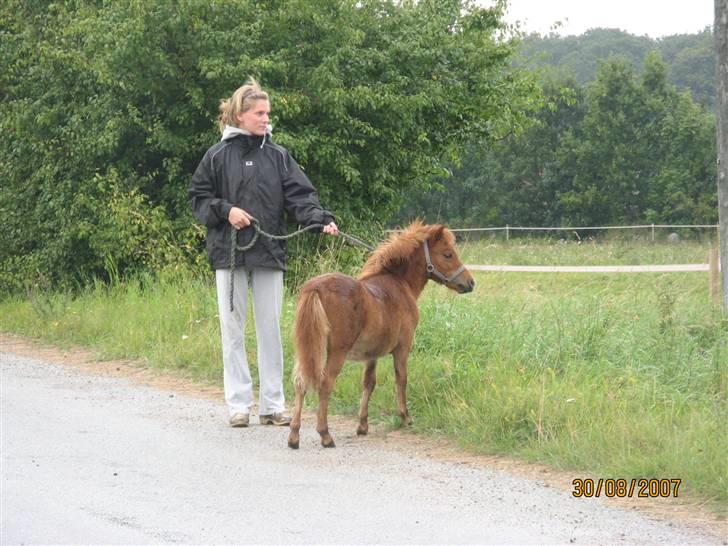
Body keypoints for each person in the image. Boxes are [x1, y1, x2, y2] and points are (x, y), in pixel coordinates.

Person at [188, 78, 339, 428]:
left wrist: (320, 219)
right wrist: (226, 211)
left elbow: (301, 196)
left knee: (270, 328)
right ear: (240, 115)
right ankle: (239, 405)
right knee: (233, 329)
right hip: (228, 253)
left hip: (269, 251)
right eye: (259, 113)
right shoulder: (216, 156)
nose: (265, 119)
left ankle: (273, 405)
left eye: (268, 113)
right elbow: (198, 199)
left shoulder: (278, 156)